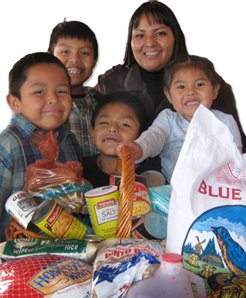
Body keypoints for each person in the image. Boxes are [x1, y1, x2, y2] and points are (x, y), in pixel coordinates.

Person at [95, 1, 246, 152]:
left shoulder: (207, 82)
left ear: (175, 37)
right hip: (127, 171)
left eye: (160, 33)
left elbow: (236, 149)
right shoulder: (111, 82)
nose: (149, 43)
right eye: (140, 35)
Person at [116, 55, 243, 184]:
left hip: (216, 191)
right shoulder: (168, 119)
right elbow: (155, 135)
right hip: (176, 193)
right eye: (181, 87)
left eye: (199, 84)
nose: (191, 92)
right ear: (169, 95)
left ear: (214, 91)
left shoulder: (225, 121)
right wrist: (140, 147)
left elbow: (236, 160)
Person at [0, 52, 82, 242]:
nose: (54, 99)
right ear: (15, 103)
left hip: (66, 255)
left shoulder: (69, 141)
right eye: (39, 92)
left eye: (62, 91)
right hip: (17, 261)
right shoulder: (8, 147)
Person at [82, 91, 158, 188]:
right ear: (92, 134)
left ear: (141, 137)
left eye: (124, 124)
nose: (112, 128)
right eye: (104, 122)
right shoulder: (80, 172)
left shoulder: (152, 175)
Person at [48, 19, 101, 157]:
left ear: (95, 60)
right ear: (50, 56)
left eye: (84, 53)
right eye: (65, 51)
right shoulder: (43, 105)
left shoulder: (99, 102)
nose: (75, 59)